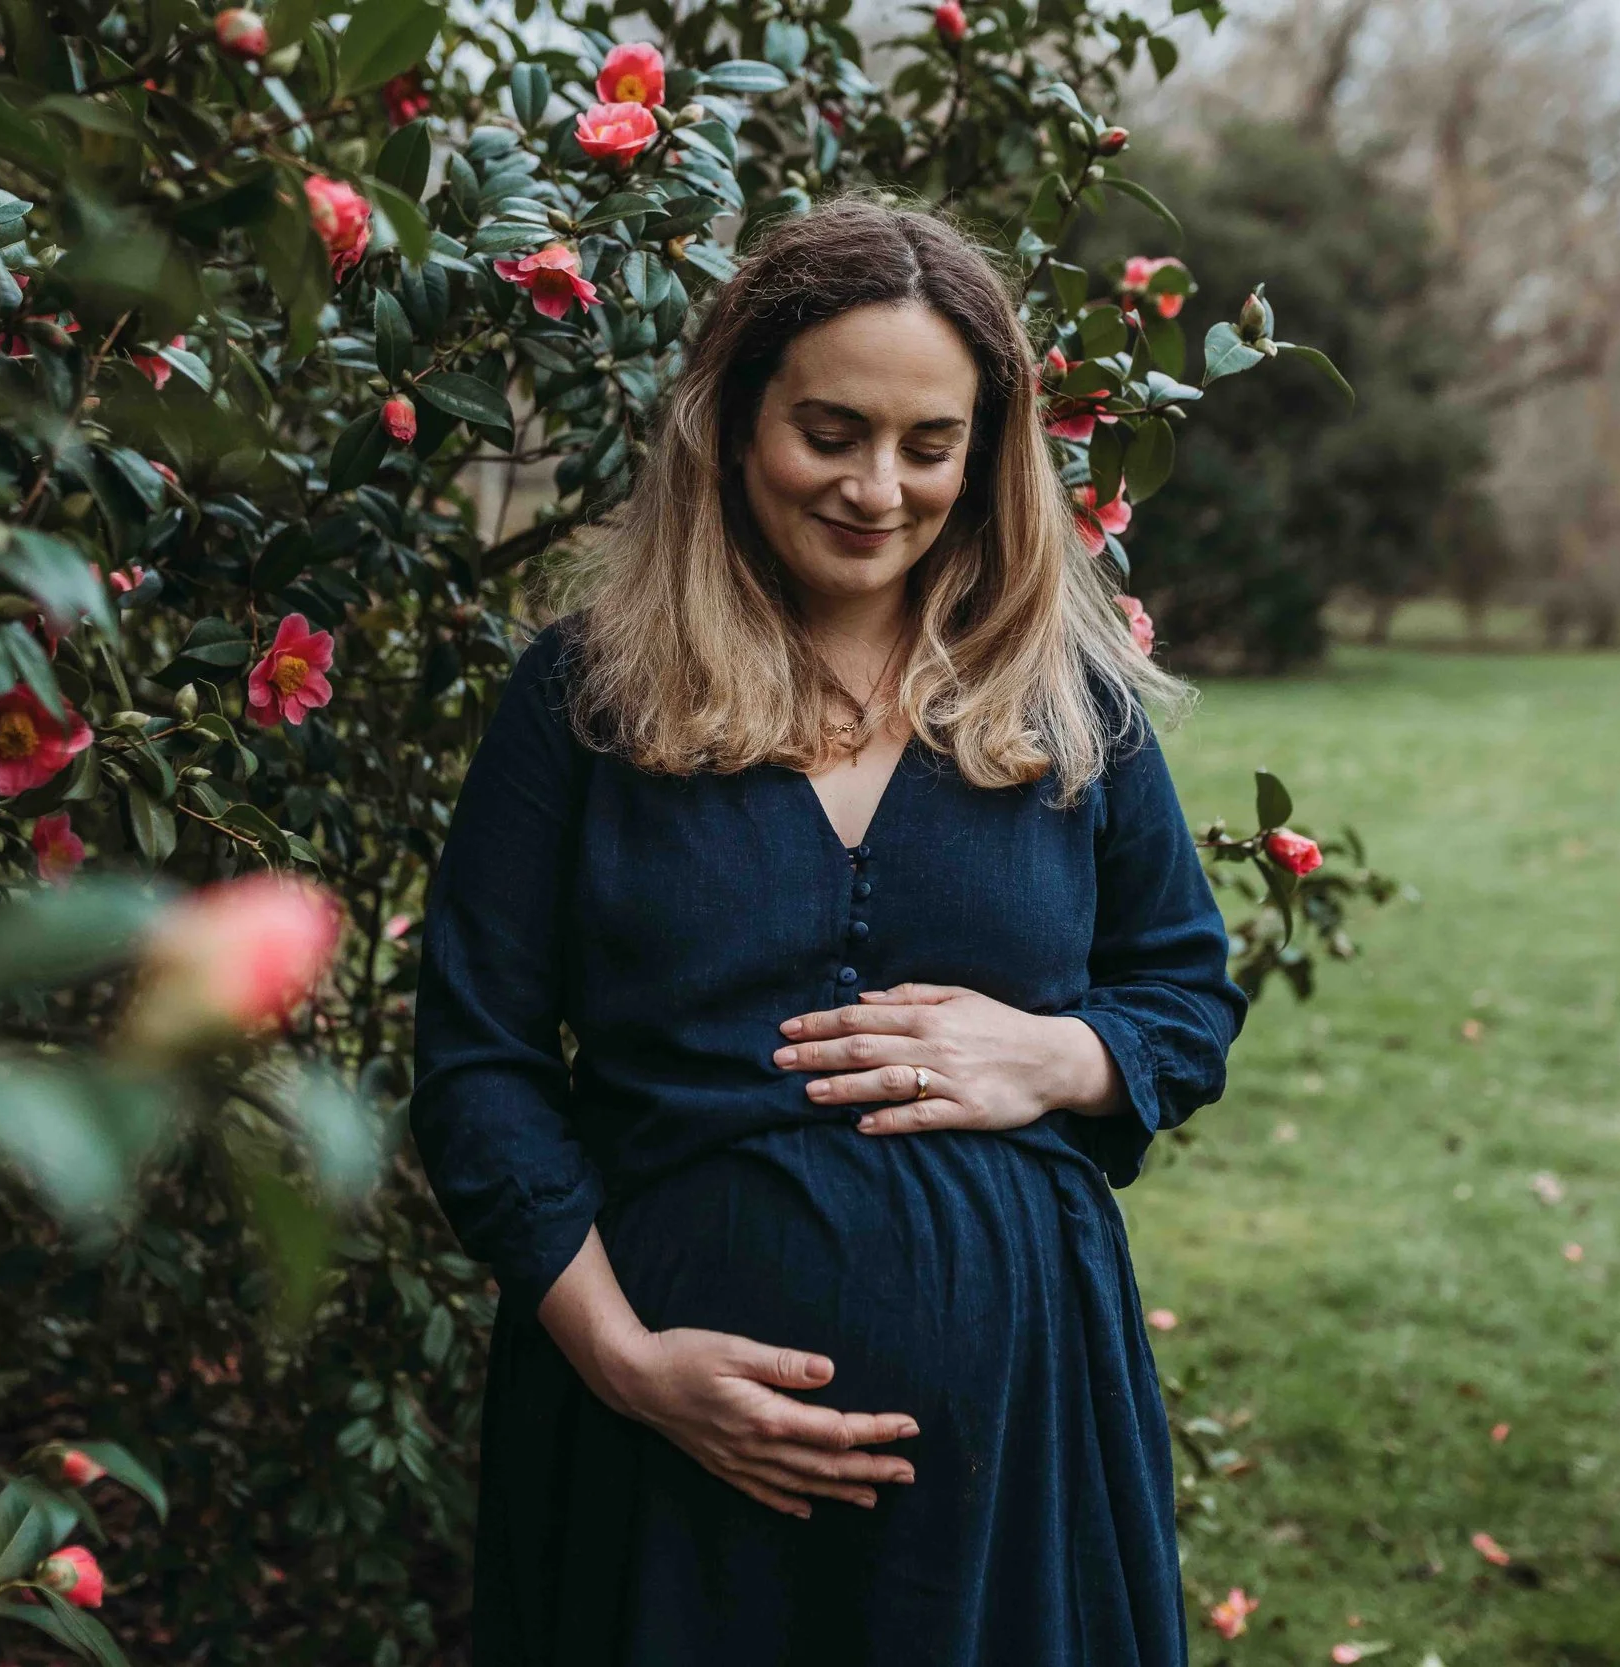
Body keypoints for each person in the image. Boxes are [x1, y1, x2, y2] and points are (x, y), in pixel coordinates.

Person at [409, 196, 1247, 1667]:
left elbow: (1184, 993)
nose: (879, 487)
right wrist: (624, 1358)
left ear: (986, 452)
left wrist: (1058, 1055)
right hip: (666, 1445)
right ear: (736, 424)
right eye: (832, 431)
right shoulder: (586, 699)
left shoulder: (1066, 700)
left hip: (1017, 1460)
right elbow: (477, 1061)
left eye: (932, 444)